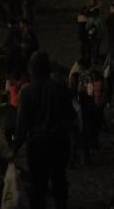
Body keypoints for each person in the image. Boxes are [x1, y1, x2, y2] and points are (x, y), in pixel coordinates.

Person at [11, 51, 74, 209]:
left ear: (32, 69)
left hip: (37, 144)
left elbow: (22, 124)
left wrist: (14, 148)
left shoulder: (26, 92)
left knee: (38, 185)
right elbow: (70, 114)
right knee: (59, 180)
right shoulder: (59, 88)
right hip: (58, 141)